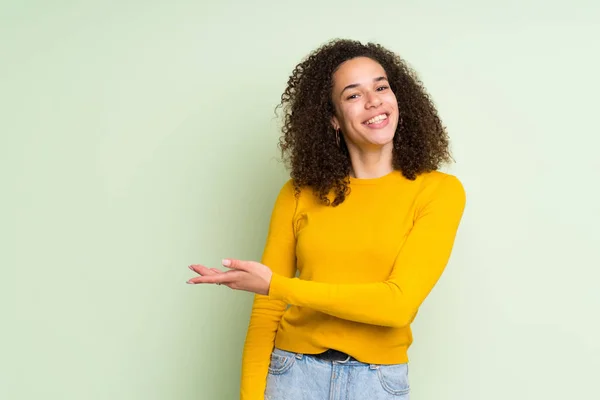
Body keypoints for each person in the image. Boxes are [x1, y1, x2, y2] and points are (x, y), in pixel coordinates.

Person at [187, 38, 466, 400]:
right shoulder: (299, 192)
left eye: (381, 87)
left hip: (377, 383)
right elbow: (266, 314)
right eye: (353, 95)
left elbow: (397, 305)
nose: (374, 101)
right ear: (333, 119)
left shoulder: (438, 191)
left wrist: (277, 285)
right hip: (292, 376)